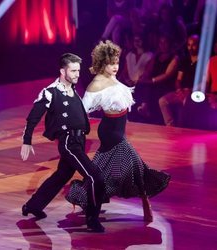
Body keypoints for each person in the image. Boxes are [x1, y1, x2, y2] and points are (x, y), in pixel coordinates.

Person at [66, 41, 171, 222]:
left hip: (119, 130)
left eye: (116, 62)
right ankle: (145, 202)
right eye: (111, 63)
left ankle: (88, 201)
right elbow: (82, 111)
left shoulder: (111, 78)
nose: (115, 67)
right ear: (101, 63)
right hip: (109, 133)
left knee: (103, 171)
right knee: (135, 166)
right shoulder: (96, 85)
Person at [20, 53, 105, 232]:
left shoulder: (72, 89)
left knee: (62, 175)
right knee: (94, 176)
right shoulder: (50, 92)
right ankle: (92, 219)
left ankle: (33, 206)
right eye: (73, 71)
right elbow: (33, 117)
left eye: (78, 71)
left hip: (79, 140)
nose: (77, 74)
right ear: (62, 71)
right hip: (69, 142)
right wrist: (27, 140)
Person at [159, 34, 199, 127]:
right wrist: (179, 90)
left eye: (193, 45)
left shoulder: (203, 62)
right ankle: (170, 126)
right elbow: (178, 79)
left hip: (194, 92)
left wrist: (189, 90)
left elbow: (204, 82)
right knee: (162, 101)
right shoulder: (185, 61)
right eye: (189, 45)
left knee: (185, 102)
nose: (191, 48)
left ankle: (184, 129)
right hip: (181, 91)